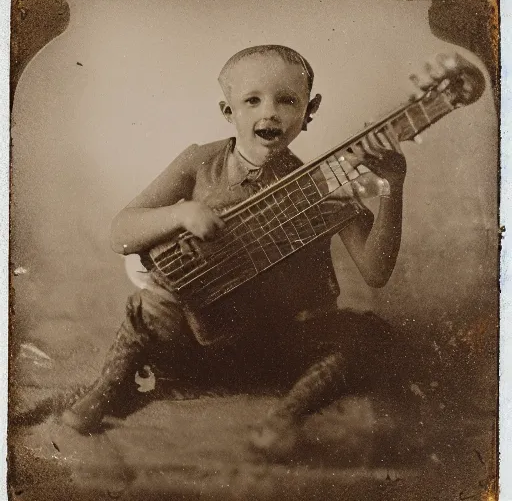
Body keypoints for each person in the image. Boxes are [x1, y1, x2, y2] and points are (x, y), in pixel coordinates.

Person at [61, 44, 471, 458]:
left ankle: (287, 415)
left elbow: (375, 272)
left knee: (364, 334)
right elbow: (121, 233)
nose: (269, 112)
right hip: (188, 345)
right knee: (150, 303)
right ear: (228, 112)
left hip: (270, 348)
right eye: (252, 100)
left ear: (309, 112)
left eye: (288, 101)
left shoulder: (324, 186)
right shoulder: (200, 163)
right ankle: (110, 387)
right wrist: (183, 213)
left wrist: (392, 189)